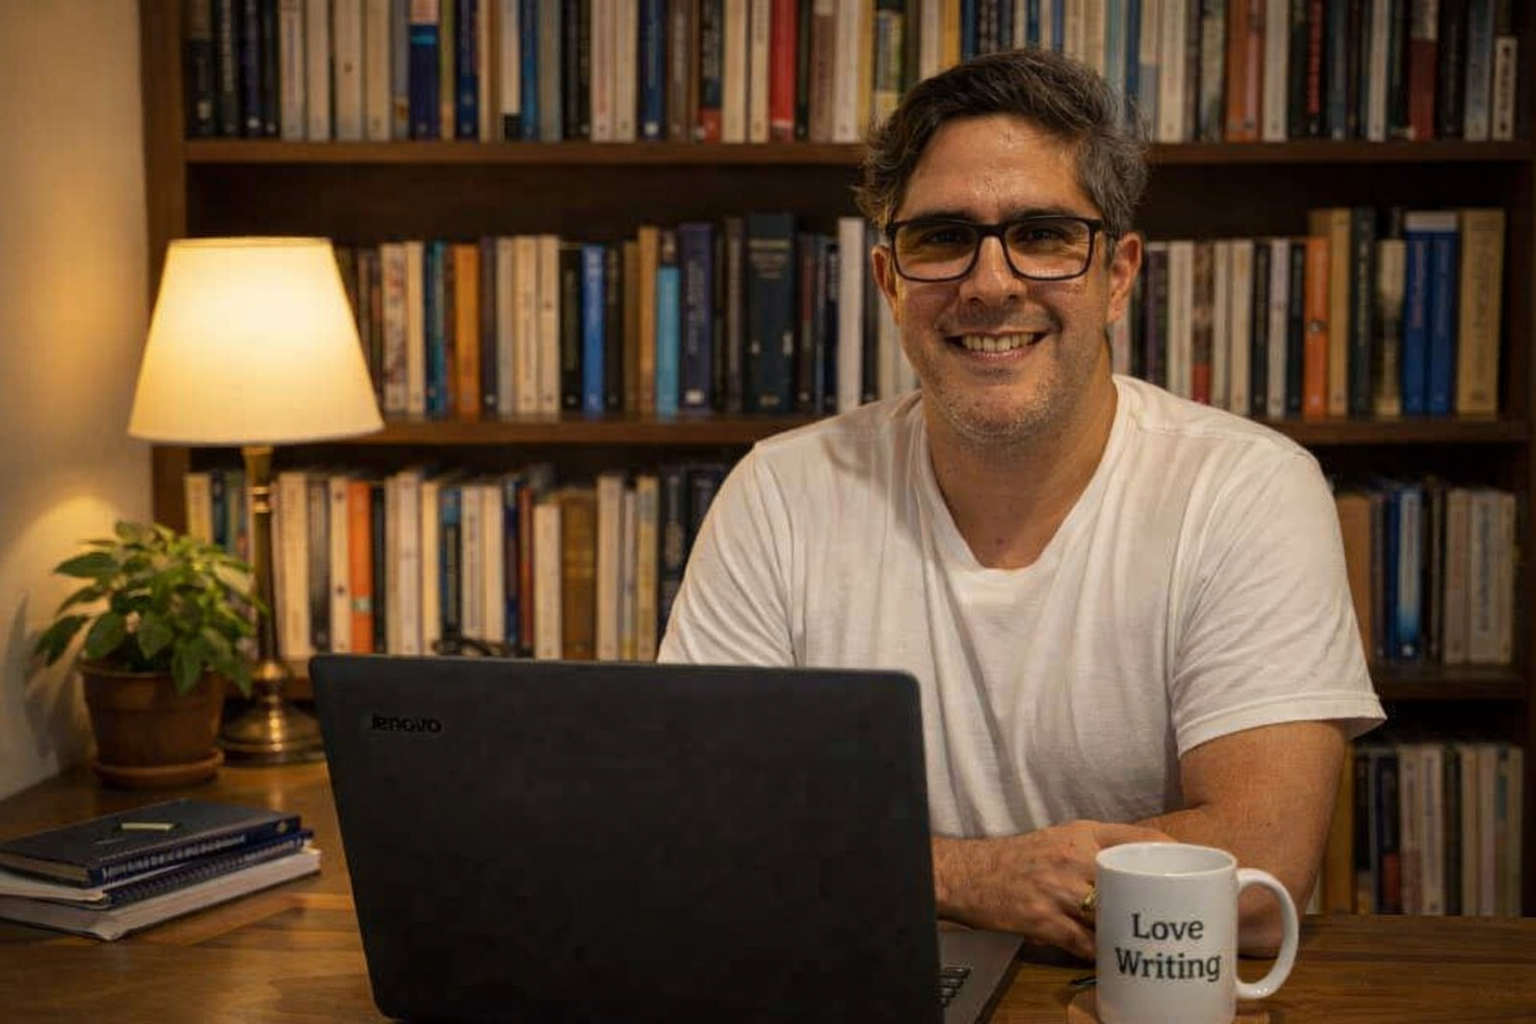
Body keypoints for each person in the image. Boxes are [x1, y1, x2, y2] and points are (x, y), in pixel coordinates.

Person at [658, 48, 1385, 960]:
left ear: (1117, 275)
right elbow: (704, 832)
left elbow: (1258, 872)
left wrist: (862, 867)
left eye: (1042, 234)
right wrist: (974, 879)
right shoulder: (778, 492)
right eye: (941, 237)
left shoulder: (1246, 488)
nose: (990, 283)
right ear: (890, 282)